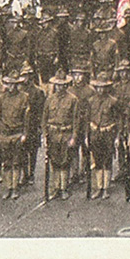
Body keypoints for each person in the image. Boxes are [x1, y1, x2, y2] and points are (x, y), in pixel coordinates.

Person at [42, 70, 79, 199]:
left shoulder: (73, 100)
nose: (60, 87)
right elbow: (44, 119)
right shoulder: (49, 99)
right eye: (57, 84)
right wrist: (45, 135)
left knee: (65, 161)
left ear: (66, 85)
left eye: (62, 84)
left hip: (66, 133)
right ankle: (56, 188)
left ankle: (64, 188)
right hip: (53, 134)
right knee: (54, 161)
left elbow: (76, 120)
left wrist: (74, 137)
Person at [0, 70, 31, 199]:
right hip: (4, 134)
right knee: (6, 163)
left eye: (14, 84)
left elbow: (27, 118)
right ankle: (8, 187)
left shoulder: (24, 97)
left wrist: (24, 134)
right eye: (9, 84)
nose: (11, 87)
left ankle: (15, 187)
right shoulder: (1, 97)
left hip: (17, 133)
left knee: (16, 162)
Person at [86, 72, 120, 199]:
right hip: (95, 134)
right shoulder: (91, 101)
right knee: (98, 161)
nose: (101, 89)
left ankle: (106, 188)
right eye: (99, 87)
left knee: (107, 161)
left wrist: (117, 137)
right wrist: (86, 136)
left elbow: (118, 120)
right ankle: (99, 187)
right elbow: (88, 119)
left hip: (108, 134)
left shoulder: (113, 101)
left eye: (103, 87)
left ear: (107, 87)